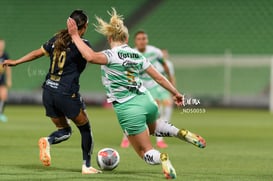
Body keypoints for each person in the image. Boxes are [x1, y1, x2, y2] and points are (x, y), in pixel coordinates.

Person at [67, 8, 206, 179]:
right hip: (147, 100)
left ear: (110, 38)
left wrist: (74, 36)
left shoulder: (109, 55)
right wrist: (176, 93)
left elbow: (89, 56)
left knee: (144, 152)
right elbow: (160, 78)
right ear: (126, 38)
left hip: (128, 108)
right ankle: (179, 132)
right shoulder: (137, 55)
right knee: (154, 127)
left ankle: (162, 158)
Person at [3, 10, 101, 174]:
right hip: (66, 93)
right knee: (85, 129)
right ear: (84, 27)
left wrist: (16, 61)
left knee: (65, 130)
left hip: (48, 92)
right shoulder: (83, 44)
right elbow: (92, 57)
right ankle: (87, 165)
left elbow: (36, 53)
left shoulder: (56, 40)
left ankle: (48, 140)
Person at [120, 30, 173, 148]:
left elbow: (165, 65)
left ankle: (159, 140)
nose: (141, 41)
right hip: (136, 86)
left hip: (152, 86)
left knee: (156, 112)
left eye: (144, 39)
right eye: (139, 39)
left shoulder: (155, 52)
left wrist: (171, 80)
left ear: (147, 40)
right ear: (135, 41)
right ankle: (126, 137)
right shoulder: (130, 53)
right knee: (132, 113)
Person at [0, 39, 12, 122]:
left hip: (1, 79)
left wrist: (9, 79)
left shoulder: (5, 55)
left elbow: (8, 68)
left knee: (4, 95)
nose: (1, 46)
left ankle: (0, 114)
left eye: (2, 44)